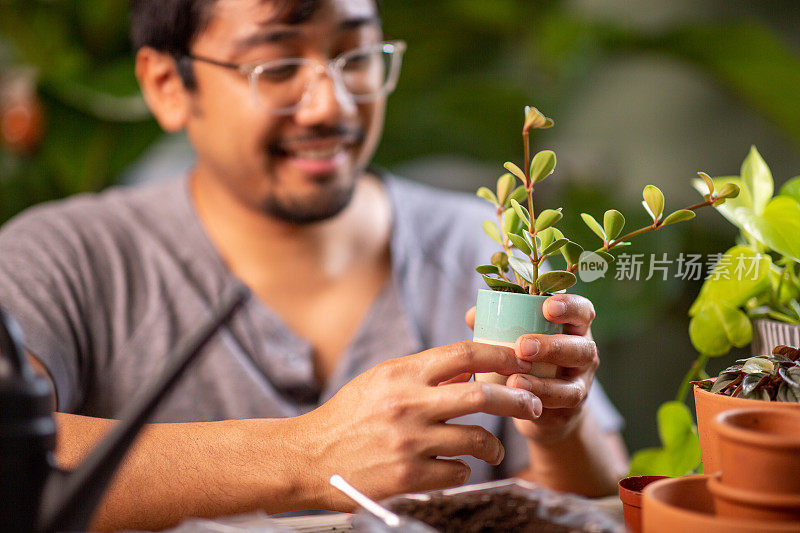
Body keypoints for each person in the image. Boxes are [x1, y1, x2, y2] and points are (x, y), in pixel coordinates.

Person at [0, 0, 629, 529]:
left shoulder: (483, 250)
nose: (330, 105)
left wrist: (560, 433)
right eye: (276, 66)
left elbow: (595, 504)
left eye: (356, 57)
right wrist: (304, 456)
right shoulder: (63, 260)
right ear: (167, 85)